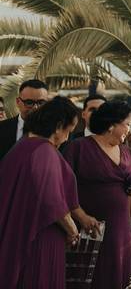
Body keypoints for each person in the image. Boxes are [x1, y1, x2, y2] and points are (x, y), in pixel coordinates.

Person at [0, 97, 82, 288]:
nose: (67, 138)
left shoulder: (22, 145)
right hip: (41, 235)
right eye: (69, 131)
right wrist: (72, 230)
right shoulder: (44, 150)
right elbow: (51, 200)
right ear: (58, 126)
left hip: (20, 233)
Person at [63, 100, 131, 289]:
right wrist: (80, 216)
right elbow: (62, 188)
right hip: (89, 229)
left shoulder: (126, 152)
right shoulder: (78, 147)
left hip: (121, 230)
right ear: (111, 124)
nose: (130, 130)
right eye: (128, 124)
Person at [0, 79, 48, 159]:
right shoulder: (2, 128)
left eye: (41, 103)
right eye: (29, 102)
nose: (35, 107)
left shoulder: (55, 132)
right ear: (18, 102)